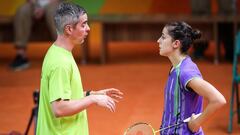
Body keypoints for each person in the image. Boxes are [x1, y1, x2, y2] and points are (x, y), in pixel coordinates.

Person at [36, 2, 123, 135]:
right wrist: (92, 100)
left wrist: (92, 94)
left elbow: (64, 96)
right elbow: (59, 108)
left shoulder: (58, 52)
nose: (88, 28)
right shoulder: (60, 63)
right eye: (83, 24)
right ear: (69, 29)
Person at [157, 21, 226, 134]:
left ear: (176, 44)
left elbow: (218, 100)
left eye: (163, 37)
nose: (158, 40)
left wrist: (196, 122)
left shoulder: (186, 72)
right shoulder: (175, 68)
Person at [10, 0, 60, 71]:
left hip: (54, 2)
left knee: (53, 12)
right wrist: (36, 6)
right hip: (35, 3)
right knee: (23, 10)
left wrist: (43, 7)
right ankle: (21, 55)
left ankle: (61, 52)